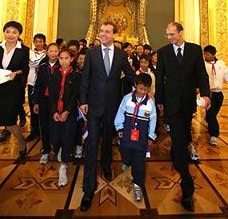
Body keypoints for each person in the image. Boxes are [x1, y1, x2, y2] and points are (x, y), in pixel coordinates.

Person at [79, 21, 135, 211]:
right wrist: (83, 101)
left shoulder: (121, 54)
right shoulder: (91, 53)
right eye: (101, 31)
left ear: (114, 34)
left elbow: (129, 74)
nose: (103, 34)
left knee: (108, 140)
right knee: (92, 142)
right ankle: (88, 189)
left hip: (113, 106)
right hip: (93, 105)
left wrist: (143, 88)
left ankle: (106, 165)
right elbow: (85, 77)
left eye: (107, 32)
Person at [155, 22, 210, 212]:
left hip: (188, 103)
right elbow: (160, 78)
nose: (169, 37)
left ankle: (178, 153)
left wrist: (205, 94)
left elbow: (202, 74)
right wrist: (159, 101)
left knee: (184, 133)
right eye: (167, 35)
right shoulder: (163, 52)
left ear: (180, 32)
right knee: (179, 140)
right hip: (170, 104)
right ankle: (187, 186)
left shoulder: (195, 50)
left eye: (172, 34)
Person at [114, 73, 157, 201]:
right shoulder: (127, 98)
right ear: (135, 86)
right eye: (140, 88)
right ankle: (126, 161)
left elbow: (153, 119)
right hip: (127, 132)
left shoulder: (150, 103)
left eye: (145, 89)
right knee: (124, 151)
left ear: (148, 89)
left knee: (139, 161)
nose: (142, 92)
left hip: (142, 136)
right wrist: (119, 127)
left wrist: (150, 135)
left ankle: (137, 184)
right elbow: (120, 112)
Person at [49, 49, 80, 186]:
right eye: (61, 58)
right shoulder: (55, 73)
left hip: (69, 112)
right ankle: (59, 149)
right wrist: (54, 111)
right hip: (56, 111)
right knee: (55, 138)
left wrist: (67, 111)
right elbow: (52, 94)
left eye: (66, 58)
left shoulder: (76, 75)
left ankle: (63, 166)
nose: (63, 60)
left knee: (67, 138)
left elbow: (75, 95)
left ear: (71, 59)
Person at [0, 21, 29, 162]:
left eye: (14, 32)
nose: (10, 34)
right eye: (8, 31)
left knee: (10, 122)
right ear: (4, 32)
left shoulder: (23, 50)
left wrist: (15, 73)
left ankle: (22, 144)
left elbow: (25, 68)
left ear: (19, 34)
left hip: (12, 90)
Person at [203, 45, 228, 146]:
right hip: (209, 94)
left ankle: (208, 118)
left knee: (213, 113)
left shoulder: (221, 64)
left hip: (219, 94)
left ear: (213, 54)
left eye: (207, 54)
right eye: (204, 54)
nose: (205, 56)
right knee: (212, 114)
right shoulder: (203, 64)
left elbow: (227, 75)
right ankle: (214, 135)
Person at [32, 43, 60, 164]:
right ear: (47, 52)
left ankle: (58, 148)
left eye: (55, 51)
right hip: (44, 101)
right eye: (51, 51)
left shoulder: (62, 65)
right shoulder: (42, 67)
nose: (53, 53)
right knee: (44, 126)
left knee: (57, 126)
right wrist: (36, 102)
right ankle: (46, 150)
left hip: (58, 101)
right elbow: (38, 85)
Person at [27, 33, 46, 142]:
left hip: (43, 84)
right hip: (31, 83)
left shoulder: (47, 54)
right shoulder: (29, 53)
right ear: (34, 42)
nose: (38, 43)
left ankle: (43, 130)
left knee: (42, 107)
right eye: (36, 41)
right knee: (32, 107)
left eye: (41, 41)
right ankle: (34, 131)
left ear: (44, 43)